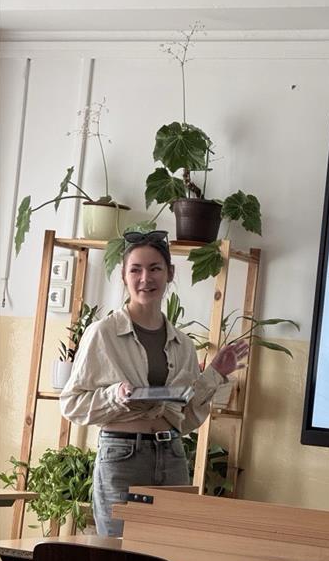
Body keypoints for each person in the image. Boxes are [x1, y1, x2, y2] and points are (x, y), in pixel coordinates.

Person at [60, 229, 248, 536]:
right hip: (121, 456)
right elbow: (71, 404)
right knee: (119, 552)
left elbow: (185, 419)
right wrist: (115, 396)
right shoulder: (102, 334)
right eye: (135, 270)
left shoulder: (183, 344)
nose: (145, 278)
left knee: (169, 550)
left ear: (169, 273)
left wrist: (215, 373)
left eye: (155, 268)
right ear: (124, 276)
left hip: (172, 454)